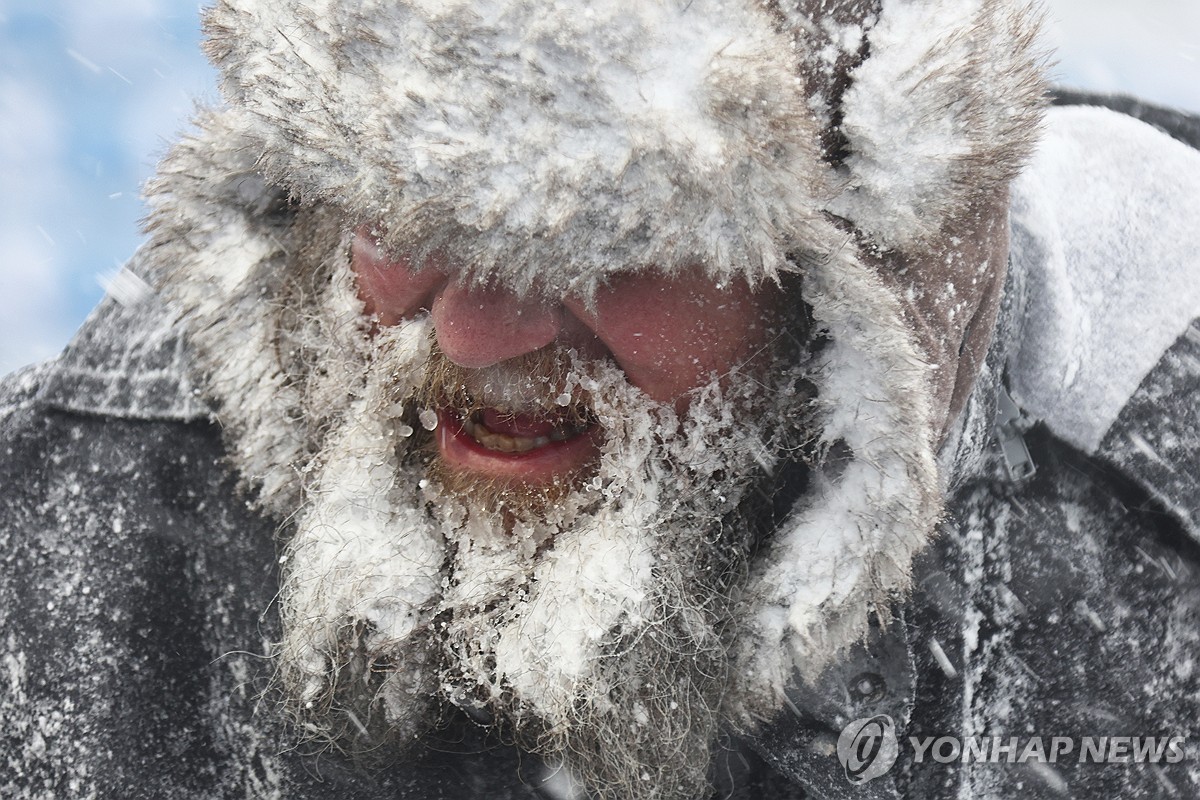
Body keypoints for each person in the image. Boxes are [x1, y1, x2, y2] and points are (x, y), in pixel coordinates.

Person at [2, 0, 1198, 798]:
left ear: (858, 267)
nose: (475, 330)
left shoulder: (1154, 548)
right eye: (403, 218)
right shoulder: (60, 539)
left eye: (608, 246)